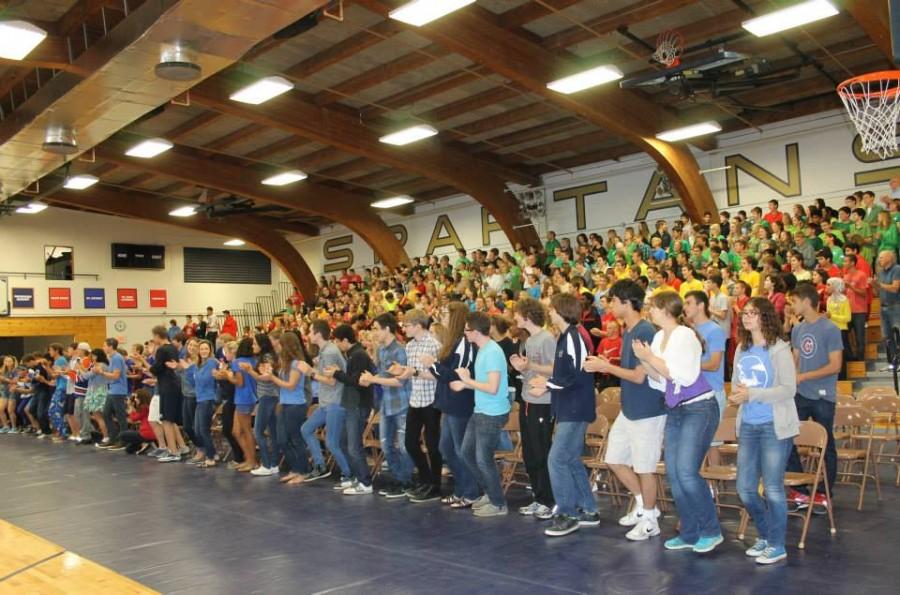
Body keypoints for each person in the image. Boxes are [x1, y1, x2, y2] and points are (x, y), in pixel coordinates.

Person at [632, 291, 723, 553]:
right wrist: (645, 360)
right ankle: (690, 531)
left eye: (653, 307)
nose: (649, 310)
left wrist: (650, 359)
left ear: (665, 309)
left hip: (699, 407)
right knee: (674, 473)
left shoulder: (685, 335)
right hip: (676, 408)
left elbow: (682, 375)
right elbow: (661, 380)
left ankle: (711, 530)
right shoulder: (660, 337)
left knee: (686, 471)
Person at [584, 280, 665, 541]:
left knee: (645, 467)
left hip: (648, 410)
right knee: (614, 459)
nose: (609, 306)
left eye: (613, 301)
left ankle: (651, 519)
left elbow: (640, 376)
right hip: (630, 409)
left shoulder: (645, 331)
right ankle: (643, 506)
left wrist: (604, 367)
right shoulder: (629, 330)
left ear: (626, 302)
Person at [731, 297, 799, 565]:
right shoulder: (741, 348)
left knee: (772, 488)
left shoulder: (779, 349)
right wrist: (739, 394)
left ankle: (777, 544)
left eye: (753, 313)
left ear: (765, 317)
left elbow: (788, 389)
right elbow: (738, 384)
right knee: (745, 489)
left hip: (773, 426)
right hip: (748, 424)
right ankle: (766, 534)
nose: (747, 317)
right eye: (745, 313)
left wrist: (752, 394)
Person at [529, 293, 599, 537]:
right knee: (569, 459)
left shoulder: (573, 337)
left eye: (552, 309)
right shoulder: (566, 337)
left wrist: (547, 385)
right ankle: (589, 509)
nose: (549, 312)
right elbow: (566, 375)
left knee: (556, 459)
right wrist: (548, 382)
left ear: (561, 310)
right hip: (570, 406)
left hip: (575, 407)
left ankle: (567, 513)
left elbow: (575, 375)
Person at [786, 282, 842, 513]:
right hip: (800, 394)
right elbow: (795, 359)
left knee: (825, 444)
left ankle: (823, 493)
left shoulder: (830, 329)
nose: (792, 306)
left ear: (807, 301)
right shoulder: (798, 329)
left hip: (822, 396)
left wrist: (805, 375)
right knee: (787, 437)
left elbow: (835, 365)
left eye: (794, 301)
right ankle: (802, 490)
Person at [421, 302, 479, 508]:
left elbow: (457, 376)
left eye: (445, 313)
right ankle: (462, 489)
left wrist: (433, 364)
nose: (441, 316)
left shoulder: (464, 343)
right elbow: (445, 375)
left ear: (455, 317)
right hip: (448, 403)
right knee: (446, 447)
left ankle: (471, 492)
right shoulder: (452, 342)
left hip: (460, 404)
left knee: (461, 449)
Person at [455, 311, 511, 517]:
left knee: (482, 458)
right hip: (480, 409)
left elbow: (493, 387)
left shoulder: (493, 352)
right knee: (466, 452)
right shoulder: (482, 350)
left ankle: (498, 503)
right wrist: (466, 384)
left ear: (476, 332)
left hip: (492, 412)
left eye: (467, 330)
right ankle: (491, 492)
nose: (465, 333)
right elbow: (484, 385)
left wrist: (467, 381)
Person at [509, 297, 556, 519]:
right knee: (530, 453)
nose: (514, 317)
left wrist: (530, 366)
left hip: (542, 403)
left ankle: (548, 499)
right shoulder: (529, 341)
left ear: (527, 315)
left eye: (517, 313)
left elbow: (555, 370)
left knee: (541, 452)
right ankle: (538, 497)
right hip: (528, 399)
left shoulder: (547, 338)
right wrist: (522, 367)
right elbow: (533, 370)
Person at [359, 313, 414, 498]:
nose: (374, 332)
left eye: (376, 328)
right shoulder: (381, 350)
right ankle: (399, 479)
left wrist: (373, 379)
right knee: (386, 445)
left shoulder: (400, 351)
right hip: (386, 404)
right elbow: (382, 376)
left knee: (404, 446)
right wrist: (370, 379)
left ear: (387, 329)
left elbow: (400, 382)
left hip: (401, 403)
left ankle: (406, 481)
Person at [392, 309, 443, 501]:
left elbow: (437, 374)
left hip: (431, 400)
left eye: (407, 325)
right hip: (415, 399)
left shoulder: (434, 345)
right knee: (410, 443)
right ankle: (425, 479)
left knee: (432, 444)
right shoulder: (410, 346)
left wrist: (413, 372)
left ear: (418, 325)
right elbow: (411, 372)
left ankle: (435, 485)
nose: (404, 329)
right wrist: (402, 371)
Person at [299, 320, 352, 482]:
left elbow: (332, 381)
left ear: (318, 334)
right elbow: (327, 376)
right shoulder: (325, 351)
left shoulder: (329, 352)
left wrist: (311, 373)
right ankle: (320, 465)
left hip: (335, 402)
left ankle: (349, 474)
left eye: (310, 332)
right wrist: (314, 370)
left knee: (332, 442)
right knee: (306, 429)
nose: (308, 335)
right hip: (326, 402)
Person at [330, 324, 376, 495]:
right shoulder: (353, 355)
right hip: (351, 404)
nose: (336, 345)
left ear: (345, 340)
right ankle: (358, 477)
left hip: (358, 404)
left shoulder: (358, 355)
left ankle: (365, 482)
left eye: (337, 341)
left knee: (353, 445)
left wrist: (336, 373)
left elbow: (356, 380)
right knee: (343, 442)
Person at [684, 291, 727, 465]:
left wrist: (686, 364)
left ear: (701, 305)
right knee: (693, 443)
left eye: (688, 303)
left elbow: (715, 363)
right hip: (692, 392)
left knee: (712, 443)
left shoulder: (714, 330)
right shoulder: (688, 331)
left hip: (711, 391)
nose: (685, 307)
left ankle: (714, 486)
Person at [264, 331, 311, 485]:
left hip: (296, 405)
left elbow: (291, 386)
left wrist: (272, 378)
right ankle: (296, 468)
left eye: (281, 344)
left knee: (296, 439)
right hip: (285, 403)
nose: (278, 347)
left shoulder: (297, 364)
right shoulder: (286, 363)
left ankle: (303, 470)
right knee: (282, 439)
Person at [150, 326, 186, 462]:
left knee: (166, 420)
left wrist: (145, 364)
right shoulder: (173, 348)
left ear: (158, 336)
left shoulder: (162, 349)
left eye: (154, 337)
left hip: (167, 387)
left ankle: (173, 451)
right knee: (170, 420)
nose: (154, 340)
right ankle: (178, 448)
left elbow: (156, 369)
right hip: (174, 385)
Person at [225, 337, 258, 472]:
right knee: (236, 431)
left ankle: (252, 461)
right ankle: (249, 459)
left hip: (243, 398)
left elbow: (239, 382)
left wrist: (228, 376)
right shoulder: (254, 361)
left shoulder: (237, 362)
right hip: (251, 397)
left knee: (246, 431)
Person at [189, 340, 219, 467]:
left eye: (206, 349)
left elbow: (206, 379)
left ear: (210, 350)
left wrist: (194, 372)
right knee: (197, 430)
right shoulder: (197, 365)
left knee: (203, 430)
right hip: (200, 399)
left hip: (208, 399)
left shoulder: (212, 362)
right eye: (202, 349)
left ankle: (211, 457)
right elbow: (192, 382)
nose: (204, 351)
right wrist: (189, 370)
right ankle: (212, 452)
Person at [842, 254, 869, 361]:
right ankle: (851, 358)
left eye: (846, 261)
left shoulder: (861, 275)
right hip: (847, 310)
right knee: (844, 335)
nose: (844, 264)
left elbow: (864, 293)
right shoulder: (845, 275)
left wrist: (851, 287)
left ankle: (861, 361)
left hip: (859, 310)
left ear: (852, 263)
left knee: (859, 337)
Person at [873, 250, 900, 352]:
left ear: (890, 258)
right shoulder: (881, 272)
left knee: (897, 334)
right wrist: (874, 284)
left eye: (881, 257)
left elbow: (895, 288)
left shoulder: (897, 269)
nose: (879, 260)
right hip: (883, 307)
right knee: (887, 336)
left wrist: (880, 285)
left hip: (895, 306)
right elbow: (877, 292)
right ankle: (893, 362)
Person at [118, 390, 156, 455]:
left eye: (136, 398)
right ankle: (143, 443)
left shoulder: (144, 407)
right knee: (129, 449)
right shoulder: (147, 406)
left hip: (146, 433)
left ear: (141, 398)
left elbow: (133, 419)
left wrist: (130, 406)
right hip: (149, 433)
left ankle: (144, 443)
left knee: (122, 435)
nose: (135, 400)